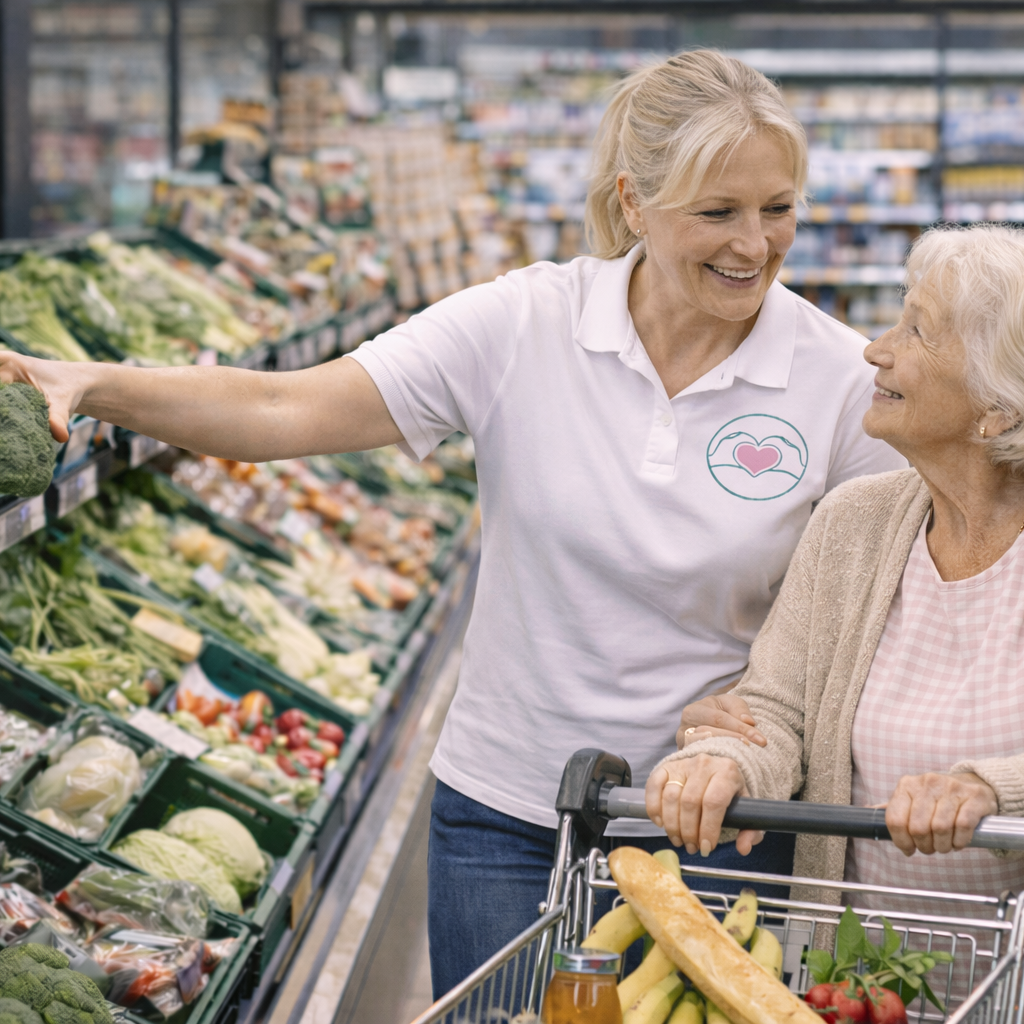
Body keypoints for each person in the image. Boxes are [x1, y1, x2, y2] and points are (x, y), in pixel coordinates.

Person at [0, 51, 904, 997]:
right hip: (508, 817)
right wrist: (93, 384)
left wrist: (773, 710)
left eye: (779, 208)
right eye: (718, 212)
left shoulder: (839, 380)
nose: (755, 245)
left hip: (717, 825)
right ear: (636, 202)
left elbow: (876, 610)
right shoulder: (526, 325)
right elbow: (286, 409)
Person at [648, 224, 1024, 916]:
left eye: (917, 332)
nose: (876, 351)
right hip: (852, 985)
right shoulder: (855, 522)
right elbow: (778, 708)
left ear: (996, 411)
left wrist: (991, 789)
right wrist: (724, 762)